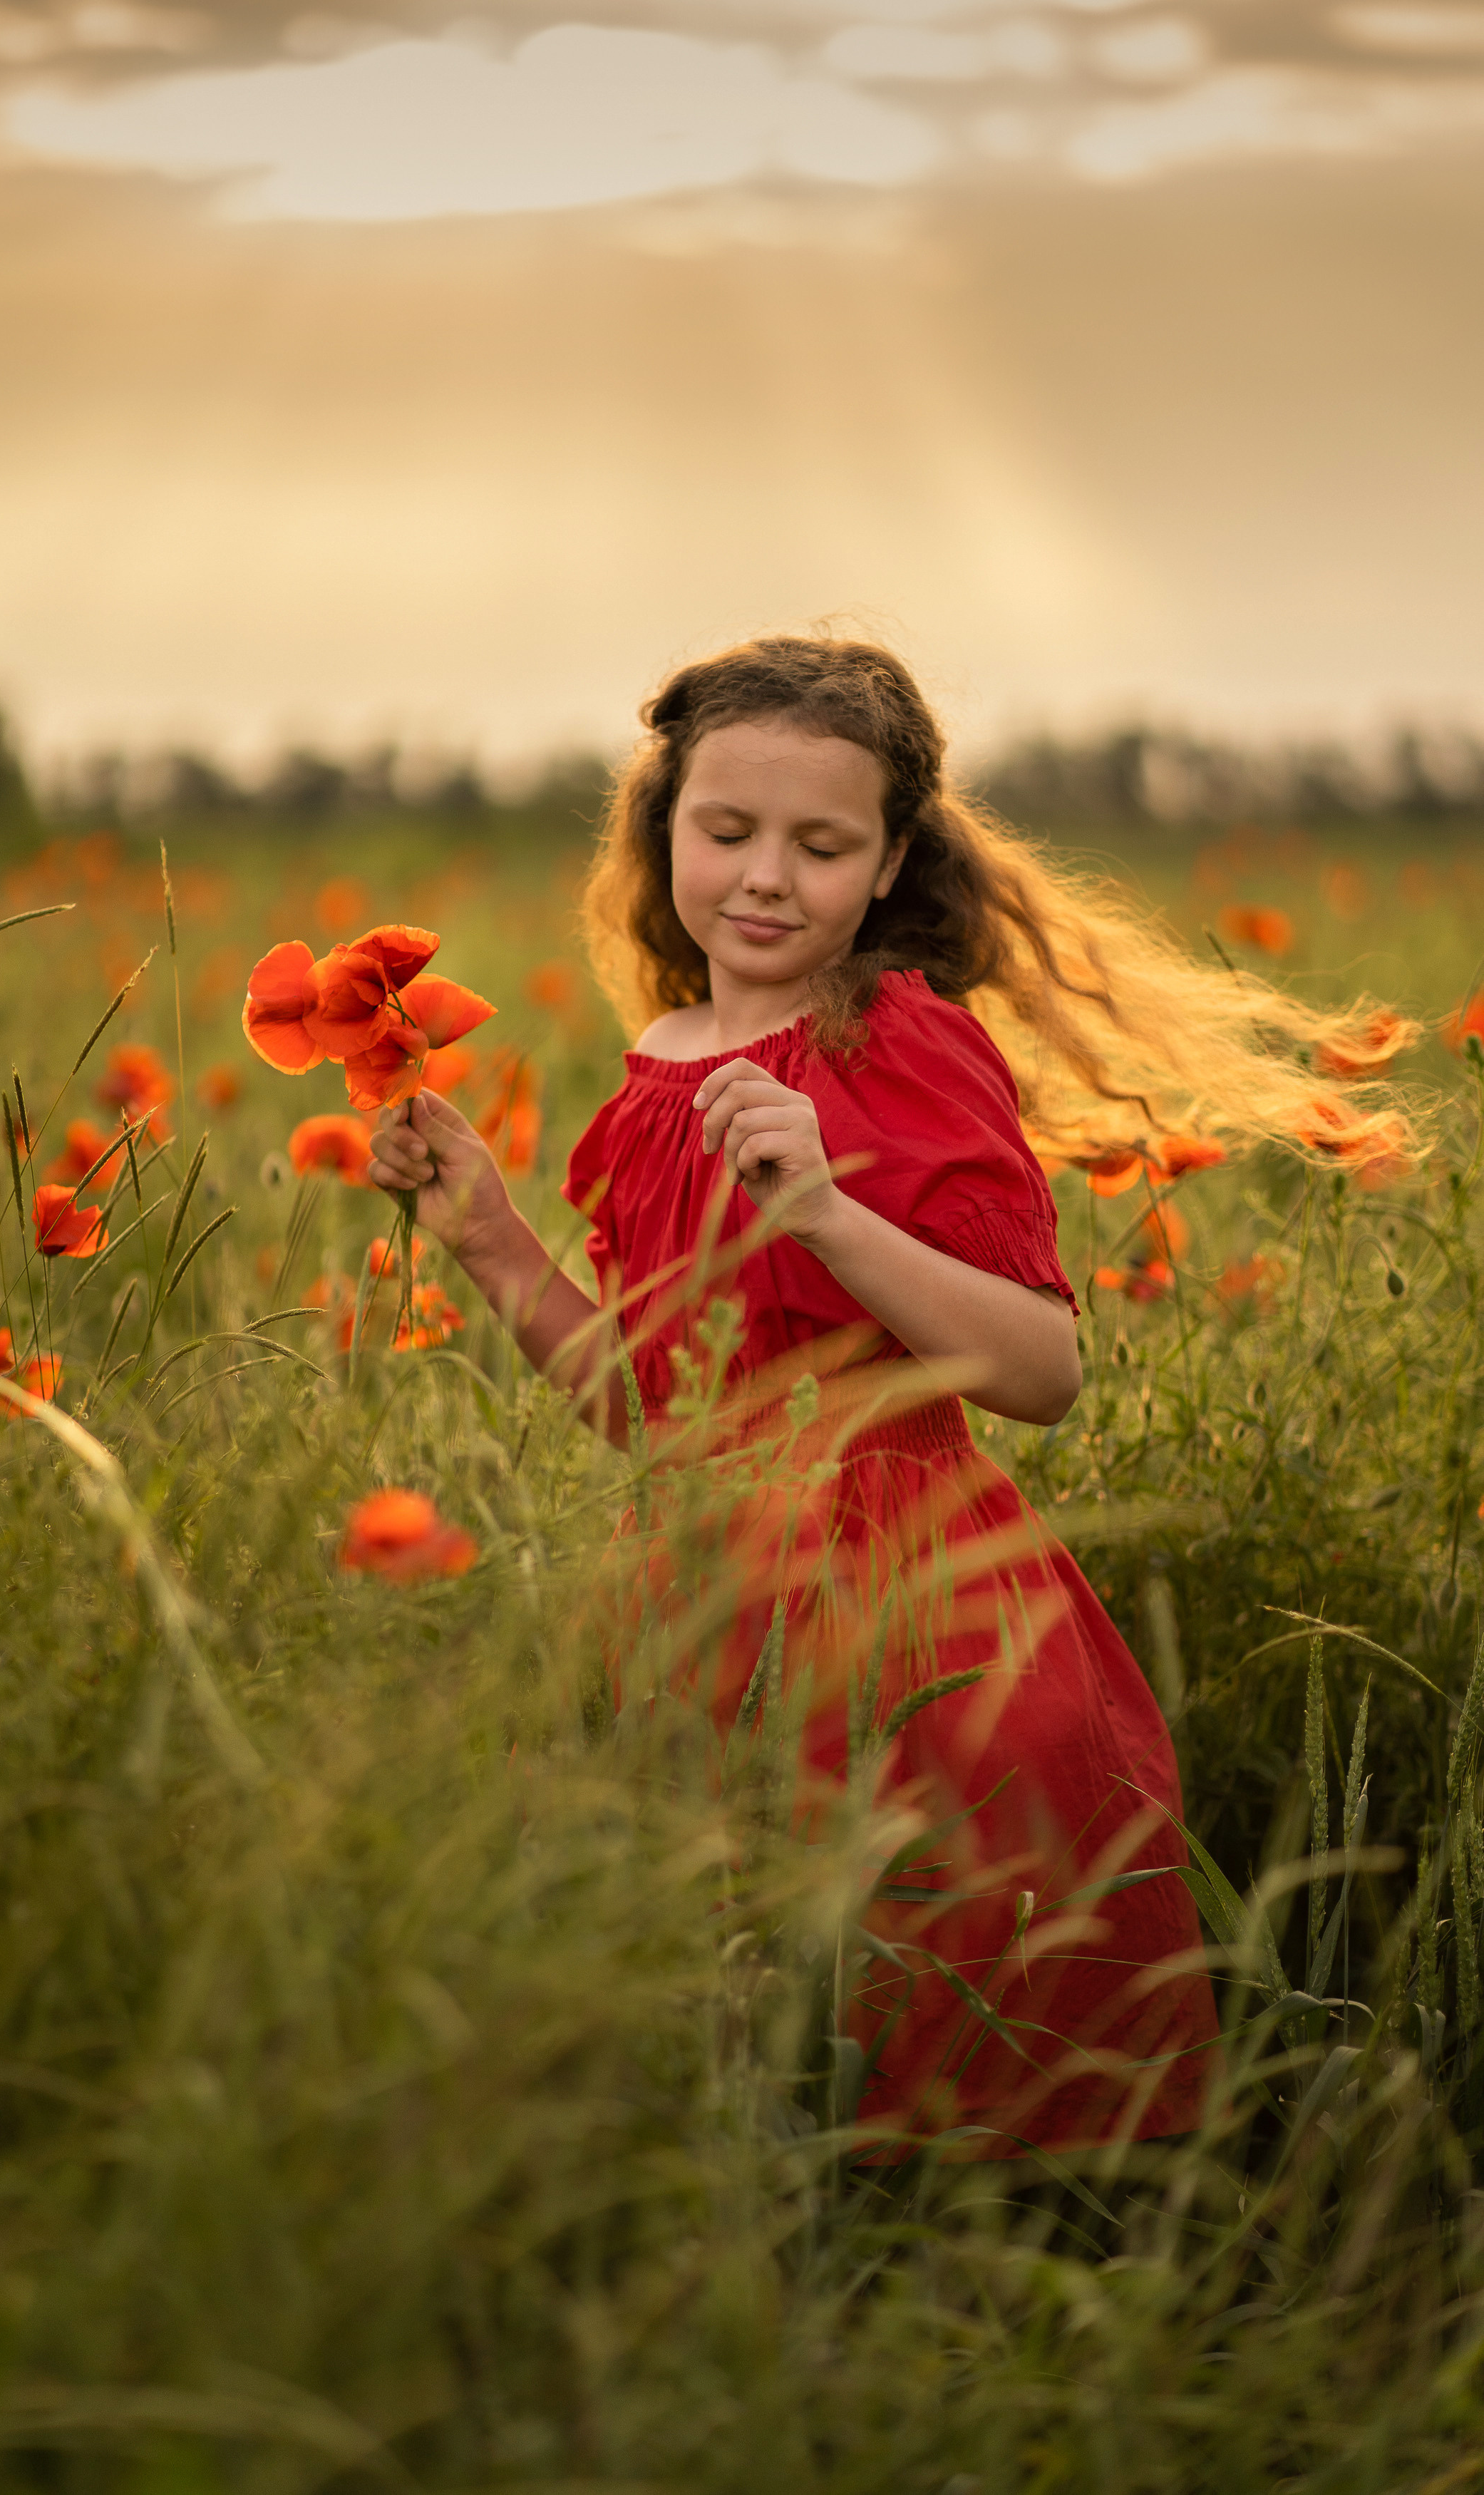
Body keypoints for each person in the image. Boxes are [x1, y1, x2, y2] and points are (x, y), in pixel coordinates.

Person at [369, 635, 1416, 2156]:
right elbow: (653, 1412)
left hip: (920, 1620)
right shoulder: (655, 1072)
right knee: (730, 2045)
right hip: (696, 1609)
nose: (766, 877)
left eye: (821, 842)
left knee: (940, 2059)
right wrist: (489, 1235)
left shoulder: (901, 1045)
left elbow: (1042, 1368)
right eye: (727, 831)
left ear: (889, 861)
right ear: (664, 829)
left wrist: (829, 1212)